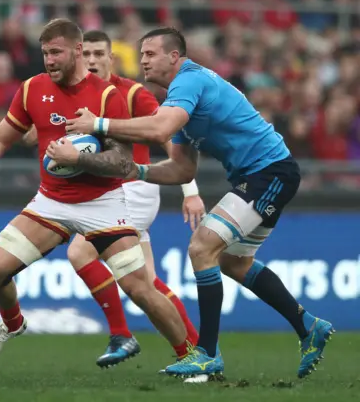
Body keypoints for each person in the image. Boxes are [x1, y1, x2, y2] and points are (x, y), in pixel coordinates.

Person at [66, 27, 334, 380]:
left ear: (174, 57)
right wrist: (135, 171)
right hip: (258, 176)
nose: (142, 60)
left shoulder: (188, 81)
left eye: (150, 53)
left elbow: (160, 130)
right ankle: (308, 326)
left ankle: (206, 353)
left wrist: (98, 124)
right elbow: (181, 168)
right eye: (142, 54)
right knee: (232, 263)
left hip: (269, 172)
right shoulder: (178, 102)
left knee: (201, 247)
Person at [0, 18, 188, 366]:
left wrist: (78, 158)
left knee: (140, 288)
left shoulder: (108, 96)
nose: (49, 60)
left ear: (77, 51)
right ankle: (13, 324)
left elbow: (122, 163)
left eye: (56, 52)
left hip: (103, 203)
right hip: (51, 202)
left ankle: (192, 356)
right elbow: (0, 138)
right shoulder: (31, 89)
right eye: (45, 53)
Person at [22, 29, 203, 367]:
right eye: (86, 54)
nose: (92, 60)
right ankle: (199, 351)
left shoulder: (130, 93)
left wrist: (190, 192)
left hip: (134, 186)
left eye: (98, 54)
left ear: (110, 58)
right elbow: (36, 133)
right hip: (108, 191)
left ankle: (122, 333)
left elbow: (171, 140)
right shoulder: (73, 94)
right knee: (145, 282)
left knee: (79, 250)